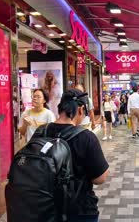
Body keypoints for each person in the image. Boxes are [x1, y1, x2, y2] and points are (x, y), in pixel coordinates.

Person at [32, 90, 109, 221]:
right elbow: (99, 178)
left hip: (45, 208)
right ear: (80, 109)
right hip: (79, 210)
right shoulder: (86, 137)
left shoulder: (41, 131)